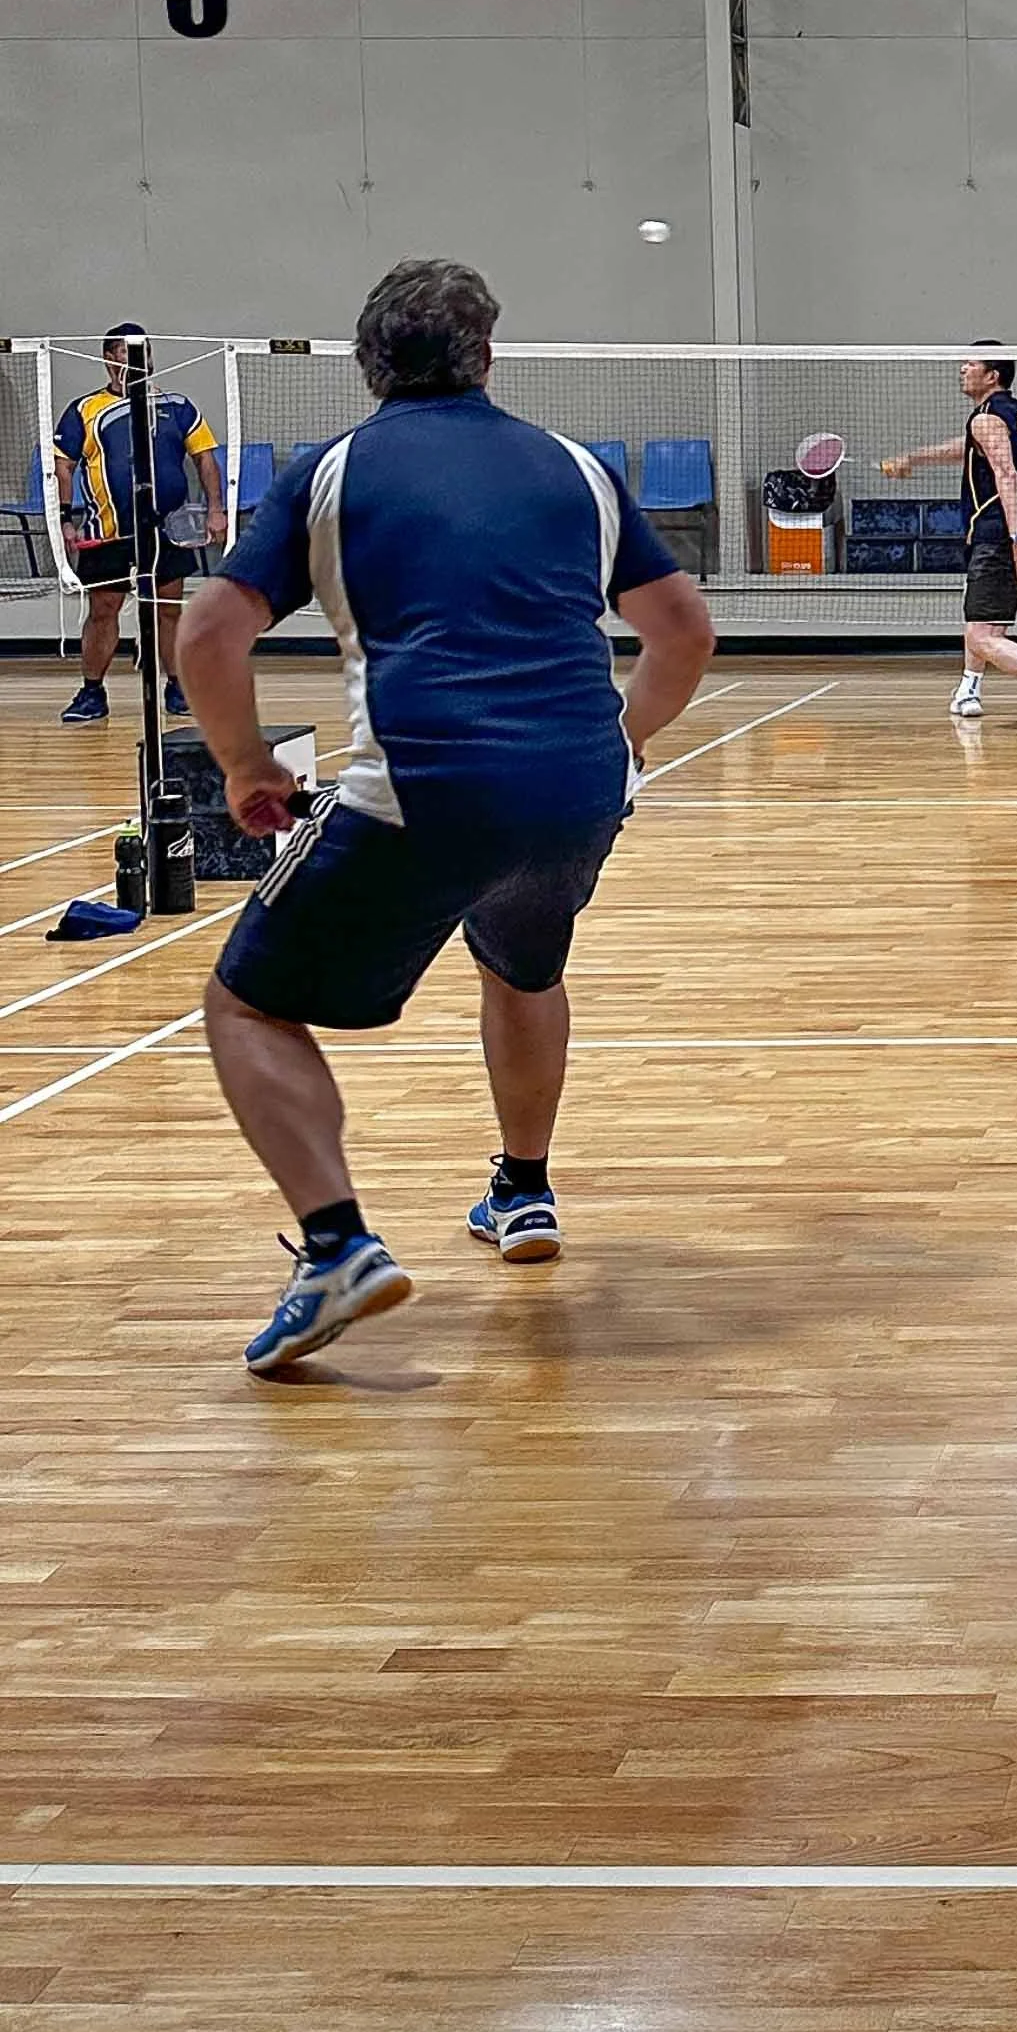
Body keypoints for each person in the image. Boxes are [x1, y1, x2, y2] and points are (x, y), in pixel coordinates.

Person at [176, 257, 716, 1376]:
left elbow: (205, 635)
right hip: (578, 792)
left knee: (246, 1006)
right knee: (522, 966)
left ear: (369, 362)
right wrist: (620, 744)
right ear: (486, 353)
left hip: (423, 788)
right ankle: (523, 1191)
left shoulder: (335, 471)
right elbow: (683, 633)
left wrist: (240, 765)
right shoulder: (575, 468)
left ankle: (334, 1250)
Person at [880, 346, 1017, 730]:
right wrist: (914, 459)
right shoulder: (1009, 414)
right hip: (1016, 528)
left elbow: (1005, 475)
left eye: (971, 365)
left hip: (999, 533)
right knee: (985, 622)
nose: (963, 369)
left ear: (992, 376)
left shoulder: (988, 419)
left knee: (981, 635)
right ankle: (968, 689)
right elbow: (969, 448)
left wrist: (1015, 537)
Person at [53, 321, 226, 725]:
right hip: (108, 530)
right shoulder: (84, 410)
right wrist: (64, 520)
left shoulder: (177, 405)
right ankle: (92, 692)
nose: (138, 359)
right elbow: (63, 468)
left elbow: (204, 458)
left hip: (165, 530)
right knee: (103, 609)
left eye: (143, 351)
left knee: (169, 609)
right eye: (127, 351)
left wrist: (215, 508)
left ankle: (177, 687)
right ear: (108, 358)